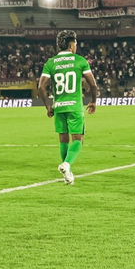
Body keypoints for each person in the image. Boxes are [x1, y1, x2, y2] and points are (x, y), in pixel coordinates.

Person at [39, 30, 99, 185]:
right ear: (71, 44)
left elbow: (40, 88)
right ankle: (66, 164)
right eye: (76, 43)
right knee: (78, 140)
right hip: (74, 106)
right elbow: (93, 84)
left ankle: (67, 174)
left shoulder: (50, 63)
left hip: (58, 106)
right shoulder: (80, 61)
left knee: (63, 139)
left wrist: (48, 107)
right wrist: (93, 101)